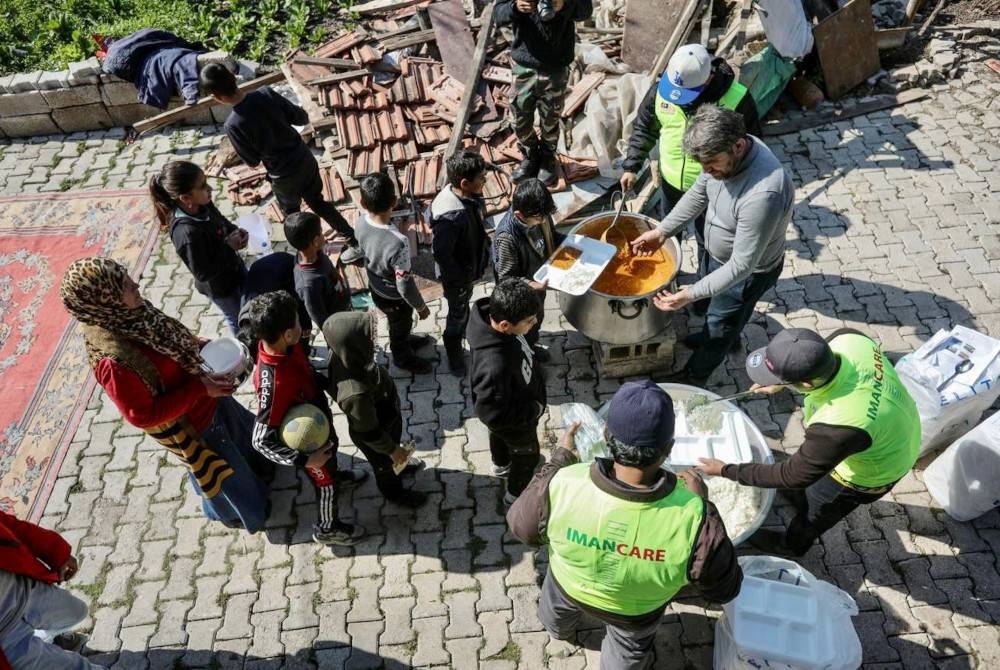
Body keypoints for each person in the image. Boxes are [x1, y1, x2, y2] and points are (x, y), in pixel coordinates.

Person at [507, 380, 742, 669]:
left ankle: (559, 632)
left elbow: (522, 528)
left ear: (606, 434)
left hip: (568, 586)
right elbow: (724, 590)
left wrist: (559, 460)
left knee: (555, 614)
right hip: (635, 615)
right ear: (668, 449)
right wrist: (704, 506)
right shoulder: (693, 518)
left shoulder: (564, 483)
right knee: (627, 652)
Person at [60, 257, 272, 532]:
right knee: (224, 474)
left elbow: (166, 335)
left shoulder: (128, 313)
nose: (136, 284)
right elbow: (143, 415)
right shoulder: (113, 362)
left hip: (209, 396)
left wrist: (196, 344)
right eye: (125, 285)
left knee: (244, 444)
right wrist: (199, 388)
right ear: (106, 299)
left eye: (127, 277)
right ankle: (240, 513)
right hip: (195, 424)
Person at [696, 328, 922, 557]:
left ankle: (792, 545)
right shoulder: (849, 339)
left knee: (816, 511)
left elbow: (793, 475)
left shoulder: (840, 424)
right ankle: (800, 495)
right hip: (897, 421)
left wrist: (725, 470)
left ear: (805, 383)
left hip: (875, 468)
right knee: (808, 483)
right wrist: (783, 382)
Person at [631, 105, 793, 385]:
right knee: (715, 313)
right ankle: (713, 333)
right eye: (703, 166)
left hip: (745, 275)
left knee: (722, 324)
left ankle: (696, 375)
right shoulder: (721, 157)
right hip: (719, 255)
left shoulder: (763, 194)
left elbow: (741, 267)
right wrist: (662, 232)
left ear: (738, 146)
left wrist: (690, 294)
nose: (707, 171)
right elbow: (698, 192)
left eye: (712, 164)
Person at [199, 63, 364, 264]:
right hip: (304, 160)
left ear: (216, 97)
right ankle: (354, 240)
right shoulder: (266, 94)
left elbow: (252, 161)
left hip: (283, 176)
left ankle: (306, 256)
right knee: (318, 202)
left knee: (292, 216)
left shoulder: (233, 124)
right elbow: (300, 116)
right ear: (234, 77)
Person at [245, 291, 369, 545]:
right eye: (297, 321)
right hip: (308, 445)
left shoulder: (288, 345)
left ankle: (334, 475)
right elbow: (260, 441)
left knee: (331, 461)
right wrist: (305, 460)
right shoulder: (273, 385)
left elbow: (306, 372)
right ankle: (327, 528)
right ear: (287, 334)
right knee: (325, 486)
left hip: (318, 419)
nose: (303, 324)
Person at [620, 44, 761, 221]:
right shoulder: (659, 92)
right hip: (670, 183)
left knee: (707, 241)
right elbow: (644, 129)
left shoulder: (737, 98)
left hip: (712, 187)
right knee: (667, 232)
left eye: (685, 93)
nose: (678, 99)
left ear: (708, 79)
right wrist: (632, 167)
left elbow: (752, 145)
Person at [322, 311, 429, 507]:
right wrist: (392, 450)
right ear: (353, 346)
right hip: (378, 436)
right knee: (385, 468)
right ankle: (395, 493)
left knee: (393, 456)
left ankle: (399, 464)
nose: (373, 340)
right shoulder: (355, 394)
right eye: (367, 338)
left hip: (385, 419)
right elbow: (369, 433)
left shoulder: (350, 356)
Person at [495, 0, 594, 184]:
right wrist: (515, 7)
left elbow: (586, 11)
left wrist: (564, 6)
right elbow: (497, 14)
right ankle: (531, 156)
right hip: (525, 67)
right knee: (519, 119)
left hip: (556, 67)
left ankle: (548, 158)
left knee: (551, 118)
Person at [468, 279, 546, 506]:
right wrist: (533, 410)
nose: (534, 324)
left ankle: (501, 463)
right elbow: (493, 415)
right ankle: (514, 496)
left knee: (498, 436)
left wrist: (537, 295)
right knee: (528, 456)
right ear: (504, 325)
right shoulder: (494, 367)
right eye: (529, 321)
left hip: (511, 405)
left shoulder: (500, 323)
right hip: (516, 420)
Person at [149, 160, 248, 335]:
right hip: (221, 287)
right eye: (203, 186)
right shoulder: (186, 234)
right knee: (238, 318)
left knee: (249, 304)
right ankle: (247, 350)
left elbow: (220, 220)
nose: (209, 189)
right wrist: (228, 247)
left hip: (234, 269)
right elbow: (202, 272)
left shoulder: (202, 203)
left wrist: (235, 231)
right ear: (186, 198)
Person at [356, 172, 434, 374]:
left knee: (397, 325)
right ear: (394, 201)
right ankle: (402, 357)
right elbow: (404, 284)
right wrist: (421, 307)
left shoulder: (360, 222)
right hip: (395, 299)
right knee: (400, 325)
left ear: (363, 203)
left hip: (376, 289)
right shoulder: (398, 242)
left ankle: (404, 339)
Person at [0, 511, 100, 669]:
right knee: (74, 667)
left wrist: (57, 553)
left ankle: (46, 639)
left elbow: (13, 526)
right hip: (7, 642)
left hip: (24, 590)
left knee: (77, 611)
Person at [430, 151, 491, 376]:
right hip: (458, 280)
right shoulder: (449, 216)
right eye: (481, 178)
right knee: (457, 315)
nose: (485, 181)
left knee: (462, 310)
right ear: (465, 183)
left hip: (468, 270)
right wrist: (461, 280)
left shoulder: (466, 196)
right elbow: (443, 256)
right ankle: (453, 351)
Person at [491, 178, 563, 351]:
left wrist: (576, 243)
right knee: (524, 329)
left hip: (538, 285)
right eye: (539, 219)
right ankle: (526, 352)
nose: (544, 221)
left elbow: (552, 236)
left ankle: (532, 343)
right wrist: (537, 285)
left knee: (536, 320)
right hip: (521, 296)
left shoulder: (540, 214)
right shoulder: (507, 238)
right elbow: (506, 279)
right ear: (519, 215)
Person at [283, 212, 352, 331]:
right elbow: (320, 318)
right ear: (315, 241)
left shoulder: (316, 253)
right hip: (337, 326)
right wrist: (334, 336)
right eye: (321, 232)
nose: (323, 234)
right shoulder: (308, 285)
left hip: (342, 305)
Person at [238, 251, 312, 359]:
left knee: (300, 331)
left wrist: (305, 324)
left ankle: (304, 352)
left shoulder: (275, 307)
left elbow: (298, 301)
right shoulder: (243, 320)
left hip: (285, 269)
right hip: (263, 270)